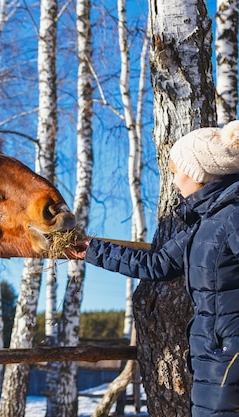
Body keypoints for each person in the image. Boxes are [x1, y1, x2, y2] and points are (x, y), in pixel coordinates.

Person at [72, 120, 239, 416]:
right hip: (213, 357)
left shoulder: (232, 216)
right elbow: (157, 263)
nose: (174, 182)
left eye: (176, 172)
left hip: (229, 356)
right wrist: (92, 250)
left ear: (197, 173)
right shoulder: (205, 225)